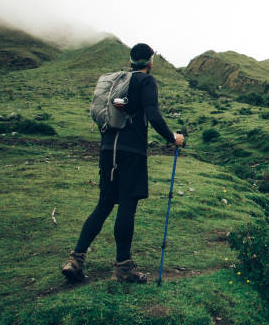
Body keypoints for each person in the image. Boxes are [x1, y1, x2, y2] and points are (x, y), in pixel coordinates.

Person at [62, 43, 184, 283]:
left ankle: (75, 259)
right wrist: (173, 138)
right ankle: (123, 269)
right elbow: (153, 113)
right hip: (132, 153)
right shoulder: (146, 82)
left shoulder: (116, 82)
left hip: (108, 151)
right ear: (150, 62)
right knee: (127, 206)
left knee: (104, 204)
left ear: (130, 60)